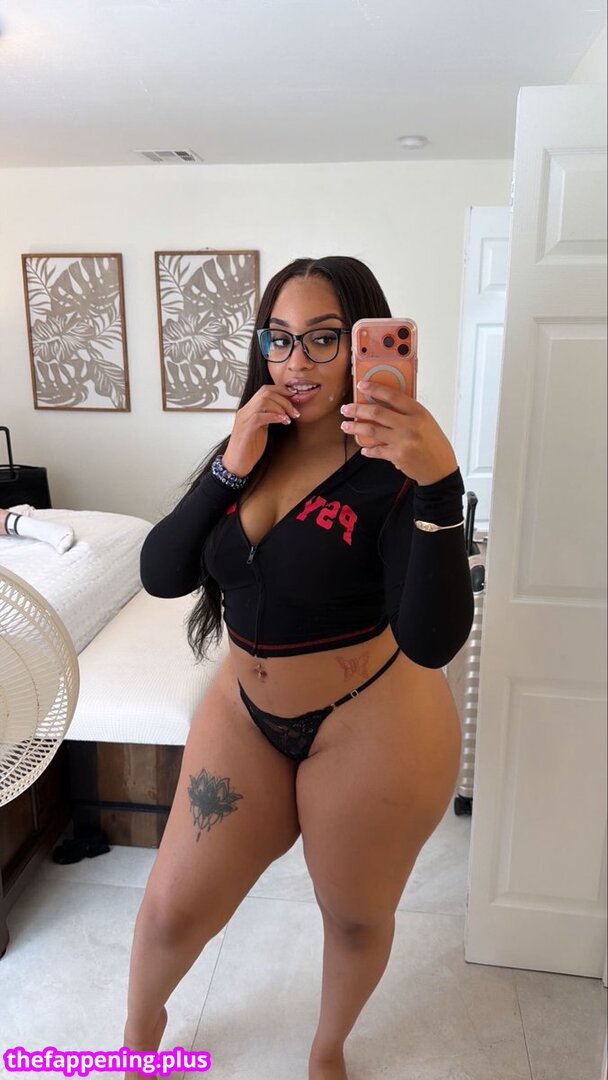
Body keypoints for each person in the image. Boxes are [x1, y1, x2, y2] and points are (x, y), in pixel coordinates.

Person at [123, 255, 474, 1080]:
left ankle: (326, 1050)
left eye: (323, 339)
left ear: (362, 345)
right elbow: (162, 573)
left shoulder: (398, 472)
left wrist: (439, 487)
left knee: (352, 917)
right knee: (171, 909)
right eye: (278, 339)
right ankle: (136, 1040)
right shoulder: (251, 446)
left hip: (371, 721)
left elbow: (431, 640)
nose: (296, 363)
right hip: (244, 711)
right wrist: (231, 461)